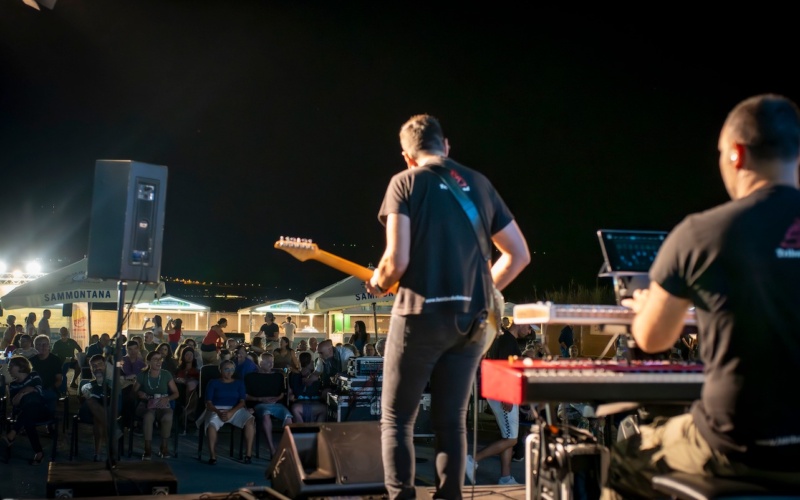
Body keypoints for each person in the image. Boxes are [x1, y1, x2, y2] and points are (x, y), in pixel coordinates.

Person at [606, 94, 800, 498]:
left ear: (736, 155)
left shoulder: (701, 233)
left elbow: (654, 340)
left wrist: (644, 309)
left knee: (626, 452)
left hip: (736, 446)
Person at [365, 114, 530, 499]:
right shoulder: (481, 184)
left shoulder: (404, 183)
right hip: (471, 321)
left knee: (397, 420)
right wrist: (481, 291)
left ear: (407, 156)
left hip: (420, 316)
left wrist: (378, 282)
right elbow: (518, 255)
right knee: (451, 422)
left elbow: (395, 262)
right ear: (447, 146)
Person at [468, 316, 524, 485]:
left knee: (508, 435)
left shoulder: (504, 340)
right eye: (529, 327)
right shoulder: (508, 341)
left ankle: (505, 477)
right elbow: (504, 370)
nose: (530, 332)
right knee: (512, 439)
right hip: (503, 394)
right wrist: (507, 395)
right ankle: (472, 460)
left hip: (499, 392)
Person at [201, 359, 255, 464]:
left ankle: (248, 455)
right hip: (216, 409)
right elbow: (208, 403)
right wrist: (218, 412)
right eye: (226, 369)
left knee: (250, 421)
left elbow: (242, 402)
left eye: (232, 369)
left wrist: (231, 412)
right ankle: (213, 456)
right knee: (211, 426)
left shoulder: (239, 383)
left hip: (235, 409)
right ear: (220, 370)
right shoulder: (213, 383)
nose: (229, 372)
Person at [3, 355, 53, 465]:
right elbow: (14, 402)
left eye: (11, 366)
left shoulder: (33, 376)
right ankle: (39, 453)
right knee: (28, 417)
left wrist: (22, 393)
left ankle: (13, 432)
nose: (8, 369)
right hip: (26, 414)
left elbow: (38, 391)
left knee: (31, 400)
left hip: (41, 411)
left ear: (20, 367)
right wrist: (23, 392)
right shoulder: (12, 385)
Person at [132, 350, 179, 460]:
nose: (159, 362)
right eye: (155, 359)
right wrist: (139, 393)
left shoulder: (166, 374)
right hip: (147, 404)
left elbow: (176, 393)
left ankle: (164, 447)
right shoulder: (142, 375)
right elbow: (133, 393)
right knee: (148, 416)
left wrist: (167, 398)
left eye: (160, 359)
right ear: (148, 362)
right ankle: (147, 448)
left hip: (162, 403)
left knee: (168, 416)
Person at [246, 352, 293, 456]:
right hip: (260, 404)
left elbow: (282, 393)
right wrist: (260, 399)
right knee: (265, 414)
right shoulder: (251, 377)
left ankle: (286, 447)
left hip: (276, 403)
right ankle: (272, 449)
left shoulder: (278, 376)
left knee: (288, 416)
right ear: (261, 363)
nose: (271, 365)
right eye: (268, 362)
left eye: (272, 362)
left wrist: (276, 398)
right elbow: (246, 395)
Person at [79, 354, 121, 461]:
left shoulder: (112, 383)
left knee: (98, 418)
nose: (97, 368)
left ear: (105, 366)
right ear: (91, 368)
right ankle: (113, 430)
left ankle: (97, 454)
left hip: (104, 414)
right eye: (94, 366)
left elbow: (116, 401)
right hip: (87, 414)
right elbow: (82, 400)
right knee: (91, 401)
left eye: (100, 364)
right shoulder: (87, 384)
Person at [29, 335, 63, 413]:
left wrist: (50, 388)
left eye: (45, 344)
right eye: (39, 345)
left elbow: (59, 380)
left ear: (49, 346)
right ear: (35, 347)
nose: (43, 347)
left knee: (48, 397)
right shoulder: (31, 361)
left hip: (50, 389)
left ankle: (49, 419)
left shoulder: (55, 360)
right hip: (35, 390)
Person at [52, 327, 83, 391]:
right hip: (61, 361)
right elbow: (53, 354)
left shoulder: (72, 341)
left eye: (65, 332)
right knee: (63, 372)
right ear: (59, 334)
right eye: (62, 333)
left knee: (79, 366)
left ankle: (73, 381)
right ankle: (62, 386)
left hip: (71, 360)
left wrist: (78, 357)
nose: (64, 334)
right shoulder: (57, 343)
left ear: (67, 333)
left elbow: (80, 349)